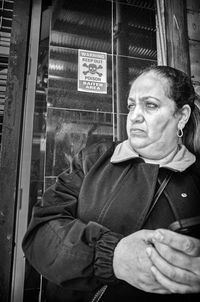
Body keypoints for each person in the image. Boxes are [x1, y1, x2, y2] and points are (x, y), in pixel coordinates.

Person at [22, 65, 200, 302]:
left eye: (150, 105)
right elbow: (41, 232)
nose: (135, 115)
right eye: (131, 105)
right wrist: (112, 256)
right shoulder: (93, 159)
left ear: (183, 116)